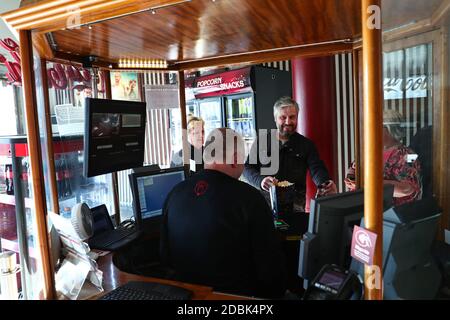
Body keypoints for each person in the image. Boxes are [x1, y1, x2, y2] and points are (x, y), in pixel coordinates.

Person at [160, 128, 287, 298]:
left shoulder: (174, 194)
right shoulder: (250, 199)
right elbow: (270, 270)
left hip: (184, 295)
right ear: (235, 159)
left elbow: (164, 257)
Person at [243, 96, 337, 212]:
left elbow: (317, 168)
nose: (288, 122)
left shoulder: (306, 144)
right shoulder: (262, 141)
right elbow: (247, 168)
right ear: (275, 119)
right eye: (283, 117)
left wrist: (325, 183)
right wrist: (261, 180)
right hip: (264, 206)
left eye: (292, 117)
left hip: (295, 207)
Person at [345, 109, 422, 206]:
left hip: (391, 217)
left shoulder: (405, 155)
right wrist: (351, 176)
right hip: (361, 211)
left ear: (390, 129)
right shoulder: (369, 152)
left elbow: (406, 190)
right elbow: (353, 170)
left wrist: (367, 184)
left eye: (377, 126)